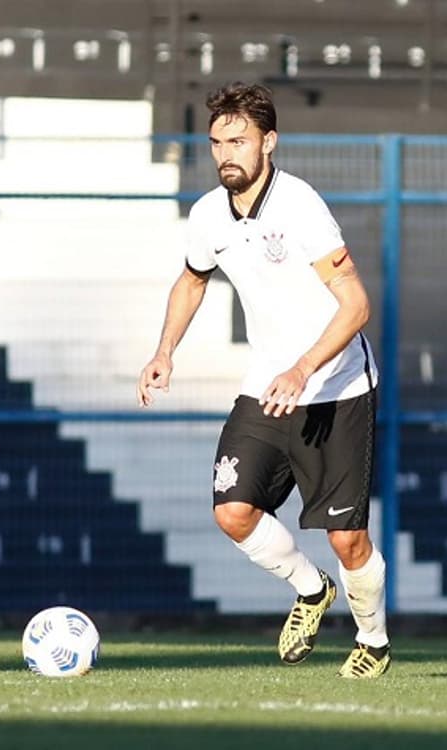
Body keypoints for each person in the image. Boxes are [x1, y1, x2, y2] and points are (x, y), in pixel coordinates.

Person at [136, 82, 390, 678]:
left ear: (268, 143)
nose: (226, 152)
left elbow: (355, 306)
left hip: (336, 391)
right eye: (217, 141)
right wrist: (163, 351)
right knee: (233, 511)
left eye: (239, 140)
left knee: (348, 541)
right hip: (266, 389)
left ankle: (373, 642)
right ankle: (310, 591)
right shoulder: (206, 215)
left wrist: (303, 369)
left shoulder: (299, 206)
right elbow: (193, 279)